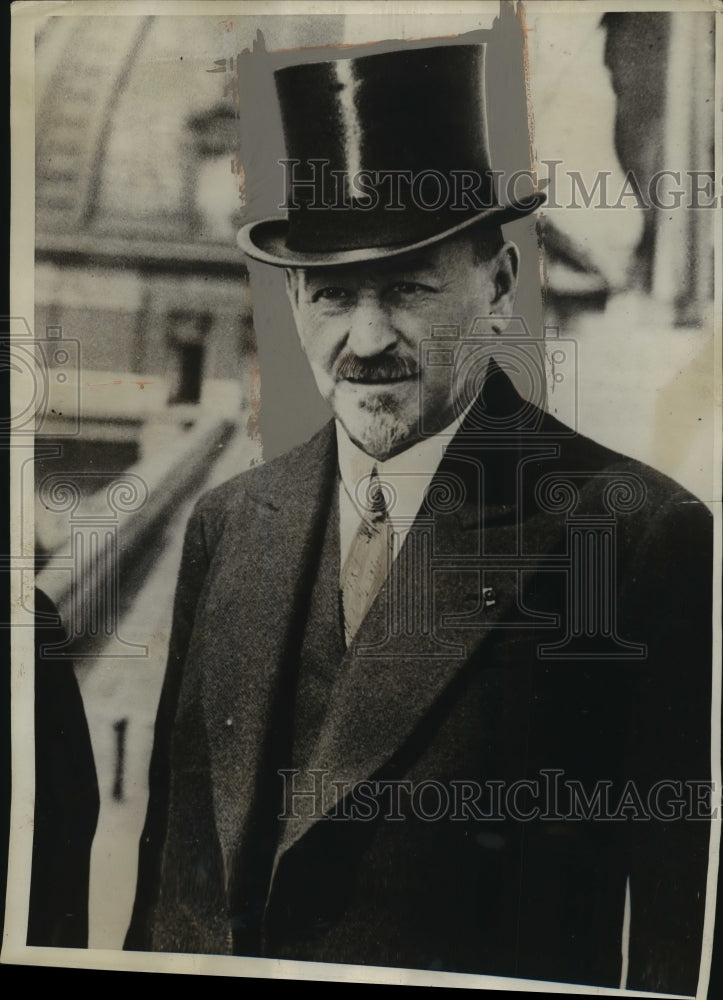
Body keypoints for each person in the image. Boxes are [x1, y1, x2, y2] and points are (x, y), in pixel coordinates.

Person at [125, 42, 713, 995]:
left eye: (406, 288)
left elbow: (675, 928)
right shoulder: (229, 524)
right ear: (290, 297)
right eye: (333, 295)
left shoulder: (628, 535)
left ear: (497, 282)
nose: (365, 341)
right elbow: (170, 873)